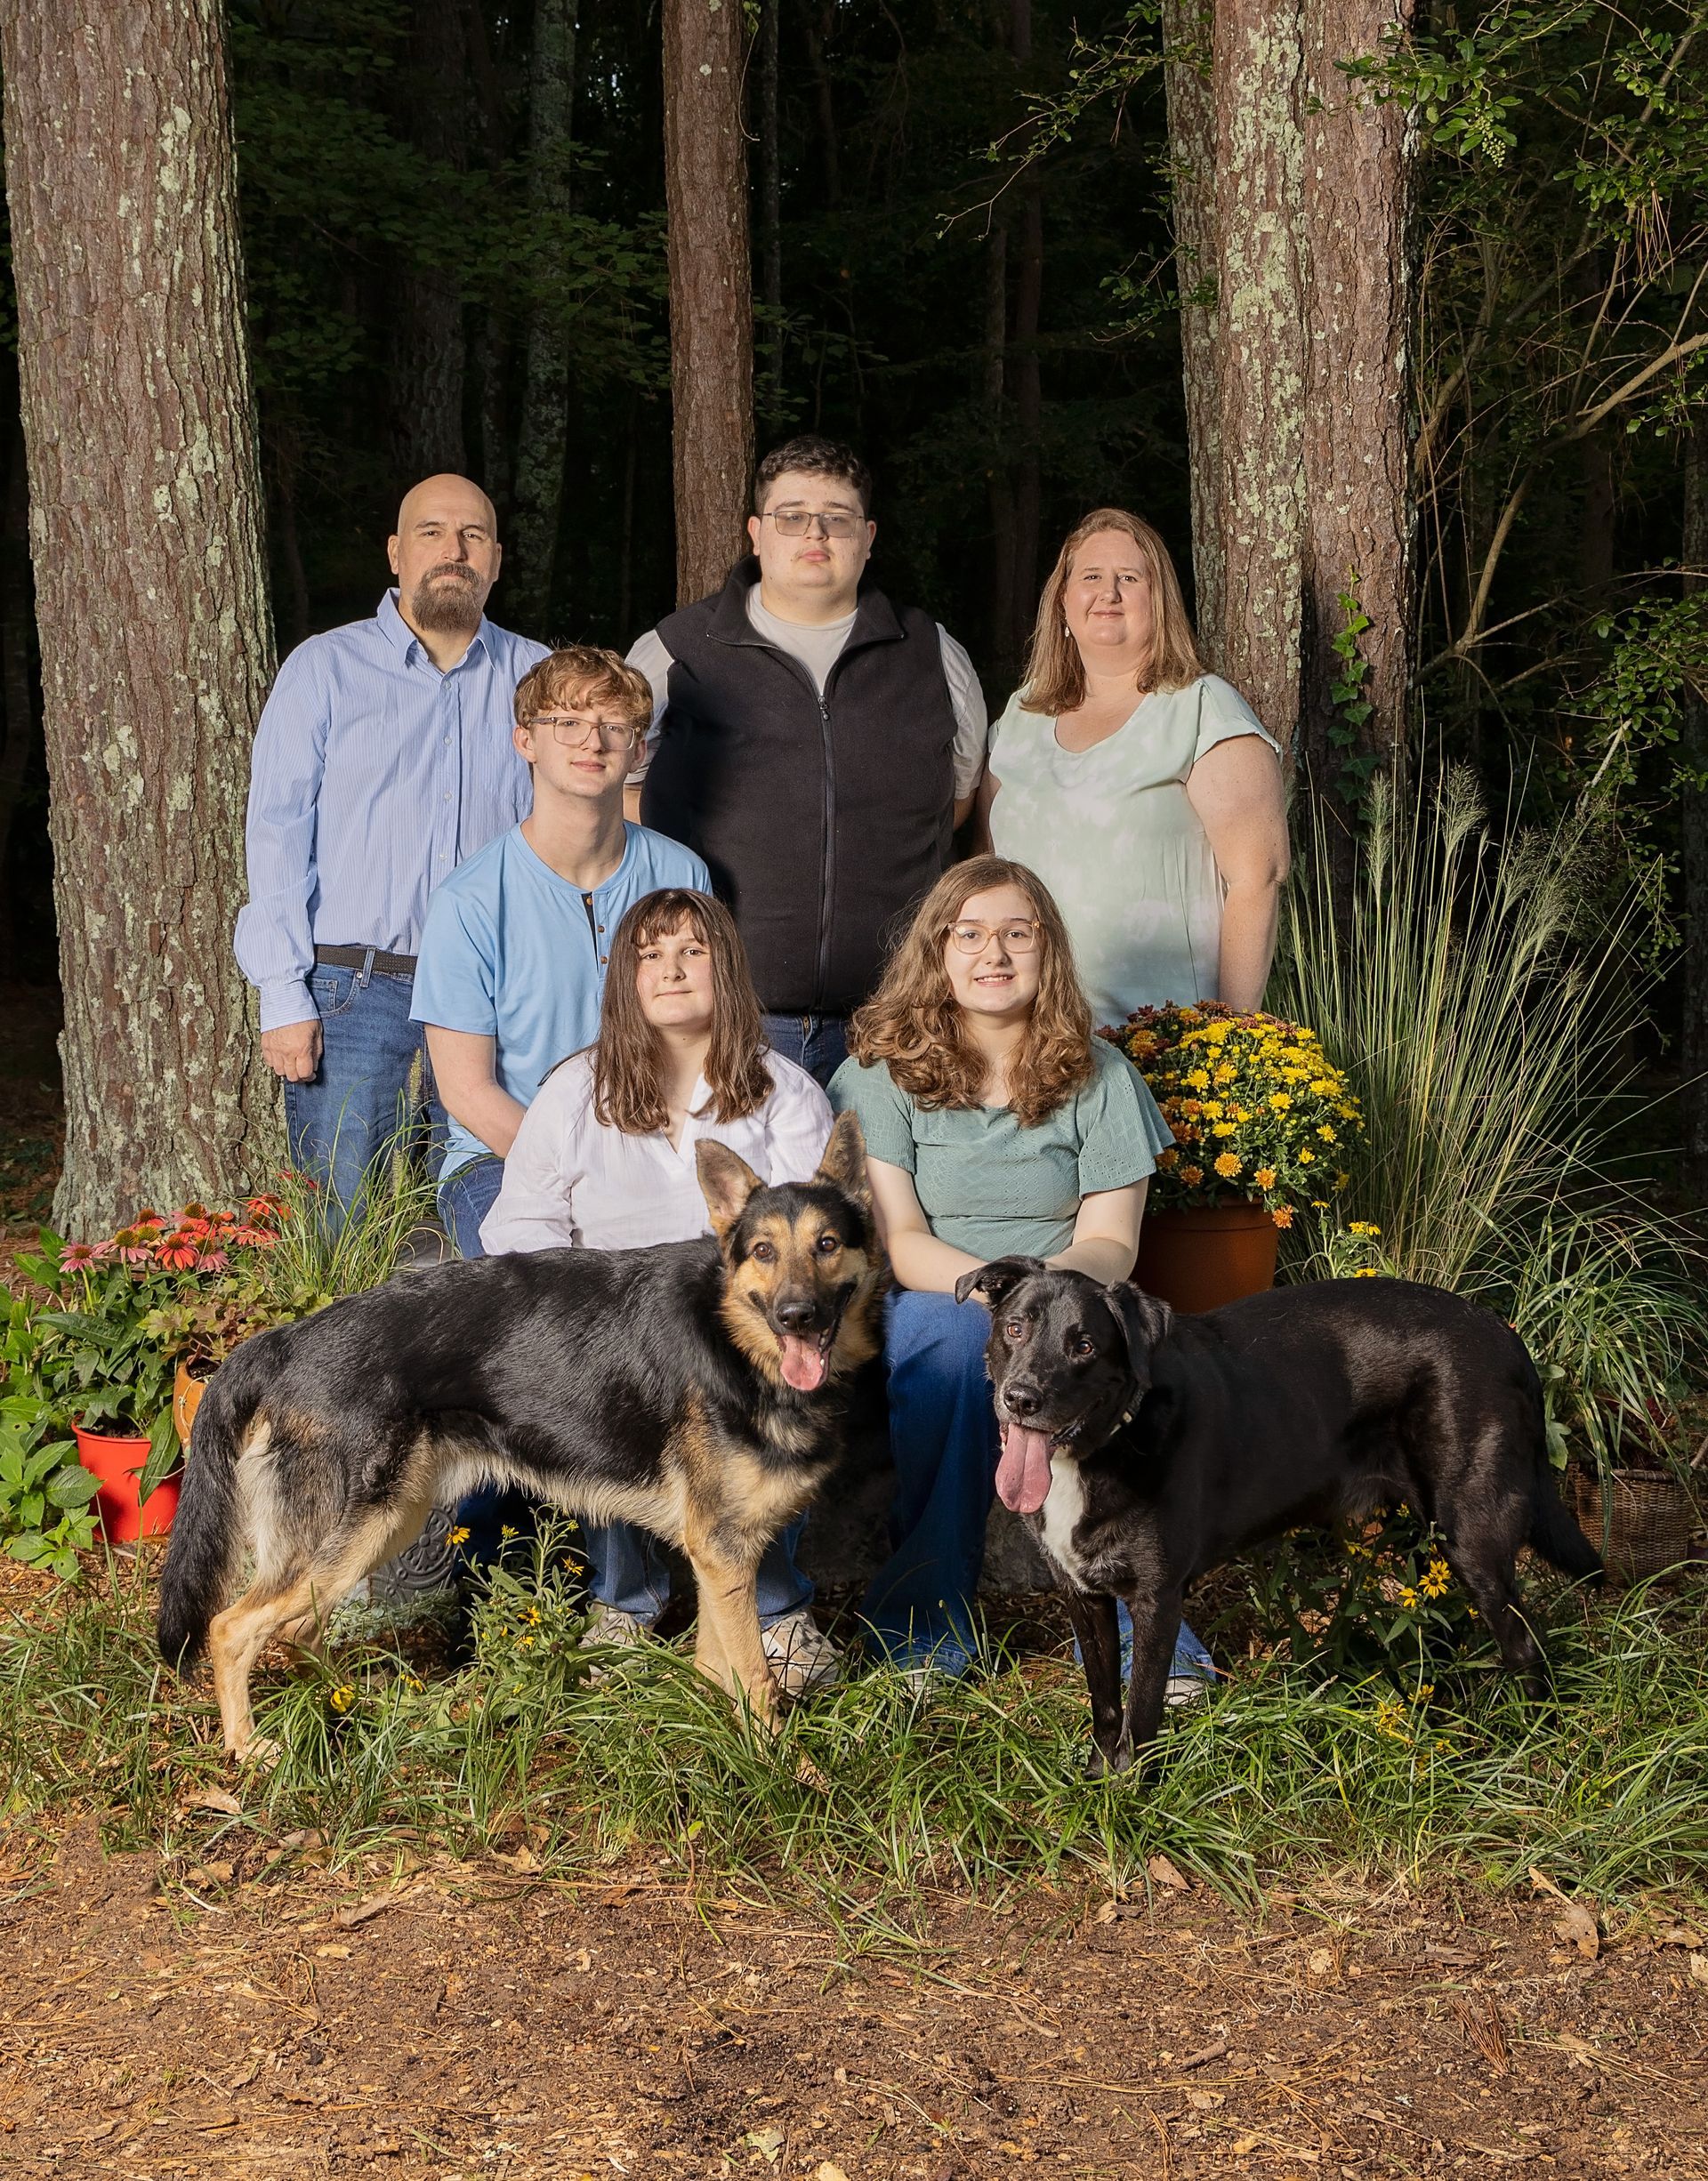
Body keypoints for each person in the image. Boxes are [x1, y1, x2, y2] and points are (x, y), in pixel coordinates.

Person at [828, 857, 1220, 1694]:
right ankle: (921, 1629)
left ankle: (1151, 1627)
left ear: (1049, 951)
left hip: (1074, 1288)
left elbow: (1113, 1242)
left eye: (1017, 934)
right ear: (937, 952)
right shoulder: (883, 1074)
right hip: (947, 1289)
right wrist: (1001, 1295)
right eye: (968, 935)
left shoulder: (1100, 1073)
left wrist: (1048, 1302)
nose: (993, 954)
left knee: (1119, 1367)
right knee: (946, 1351)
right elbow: (900, 1237)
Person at [479, 887, 842, 1695]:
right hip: (608, 1328)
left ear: (727, 969)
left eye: (692, 952)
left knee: (771, 1390)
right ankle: (624, 1607)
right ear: (625, 981)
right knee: (606, 1379)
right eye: (649, 956)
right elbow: (519, 1234)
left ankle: (778, 1611)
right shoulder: (575, 1091)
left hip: (740, 1337)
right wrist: (590, 1318)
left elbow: (810, 1238)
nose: (671, 970)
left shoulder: (785, 1092)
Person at [628, 435, 989, 1088]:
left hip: (896, 1019)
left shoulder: (933, 656)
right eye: (792, 516)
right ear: (757, 533)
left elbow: (958, 802)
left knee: (881, 1193)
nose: (814, 533)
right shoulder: (676, 651)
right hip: (728, 1015)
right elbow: (620, 795)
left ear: (868, 535)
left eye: (837, 518)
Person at [236, 475, 550, 1215]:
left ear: (497, 559)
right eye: (432, 533)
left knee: (495, 1212)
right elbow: (276, 834)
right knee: (343, 1225)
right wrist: (281, 992)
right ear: (395, 553)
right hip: (352, 989)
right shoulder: (324, 669)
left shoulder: (538, 677)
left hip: (496, 989)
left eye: (473, 535)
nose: (454, 550)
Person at [409, 647, 708, 1257]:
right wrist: (591, 1174)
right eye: (565, 723)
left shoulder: (682, 875)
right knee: (551, 1298)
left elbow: (705, 1039)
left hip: (657, 1147)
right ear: (526, 741)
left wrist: (648, 1169)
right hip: (503, 1155)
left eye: (613, 727)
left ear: (638, 751)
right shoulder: (467, 901)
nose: (590, 741)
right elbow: (467, 1092)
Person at [979, 509, 1289, 1028]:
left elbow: (1259, 876)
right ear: (1062, 601)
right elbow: (986, 872)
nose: (1109, 592)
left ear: (1159, 600)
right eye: (1092, 577)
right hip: (1027, 1038)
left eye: (1130, 578)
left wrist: (1229, 1034)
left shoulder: (1201, 709)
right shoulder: (1020, 716)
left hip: (1157, 1040)